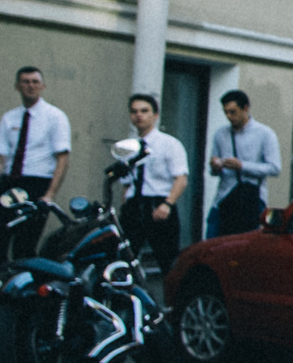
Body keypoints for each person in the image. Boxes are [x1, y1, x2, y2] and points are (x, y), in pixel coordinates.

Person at [0, 65, 72, 271]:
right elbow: (0, 159)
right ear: (17, 86)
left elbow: (62, 159)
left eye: (35, 82)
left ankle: (27, 299)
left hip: (36, 185)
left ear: (42, 86)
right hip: (9, 184)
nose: (30, 86)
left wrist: (49, 195)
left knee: (24, 248)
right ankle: (4, 286)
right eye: (25, 82)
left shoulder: (55, 117)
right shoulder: (10, 118)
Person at [120, 93, 190, 275]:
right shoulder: (129, 147)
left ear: (155, 115)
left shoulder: (169, 144)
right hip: (134, 206)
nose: (139, 115)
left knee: (168, 261)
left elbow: (181, 179)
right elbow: (127, 183)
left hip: (159, 205)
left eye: (144, 111)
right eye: (134, 111)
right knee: (125, 259)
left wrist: (167, 204)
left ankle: (171, 302)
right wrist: (126, 206)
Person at [204, 90, 282, 236]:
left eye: (233, 112)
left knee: (245, 247)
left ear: (245, 108)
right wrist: (215, 166)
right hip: (224, 198)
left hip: (251, 200)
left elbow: (274, 168)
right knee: (212, 243)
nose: (229, 116)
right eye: (225, 112)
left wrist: (242, 166)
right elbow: (214, 171)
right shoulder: (221, 134)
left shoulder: (265, 133)